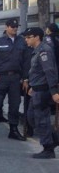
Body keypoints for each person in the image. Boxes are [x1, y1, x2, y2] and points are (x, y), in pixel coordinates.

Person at [0, 19, 29, 142]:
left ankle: (13, 131)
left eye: (16, 26)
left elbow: (26, 62)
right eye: (12, 26)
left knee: (15, 105)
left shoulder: (22, 42)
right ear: (7, 27)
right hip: (1, 78)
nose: (15, 28)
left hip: (15, 78)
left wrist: (25, 78)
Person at [23, 27, 59, 159]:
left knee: (41, 120)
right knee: (32, 118)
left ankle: (48, 149)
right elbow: (38, 72)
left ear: (37, 37)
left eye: (28, 37)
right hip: (37, 89)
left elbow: (49, 71)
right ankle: (54, 139)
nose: (26, 40)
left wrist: (54, 92)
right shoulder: (37, 50)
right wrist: (33, 86)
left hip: (43, 91)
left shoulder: (44, 51)